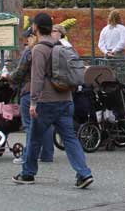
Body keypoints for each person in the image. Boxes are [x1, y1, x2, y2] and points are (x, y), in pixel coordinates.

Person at [15, 13, 92, 187]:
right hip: (65, 98)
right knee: (70, 137)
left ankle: (28, 173)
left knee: (35, 137)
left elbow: (37, 78)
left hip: (46, 101)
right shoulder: (61, 46)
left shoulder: (39, 49)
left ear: (35, 27)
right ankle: (84, 173)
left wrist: (33, 102)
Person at [8, 27, 55, 166]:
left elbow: (19, 73)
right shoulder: (50, 49)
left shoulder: (30, 51)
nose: (26, 41)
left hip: (29, 90)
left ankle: (27, 156)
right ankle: (47, 154)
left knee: (29, 125)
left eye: (28, 37)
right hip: (47, 91)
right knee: (46, 124)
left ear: (33, 37)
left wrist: (7, 76)